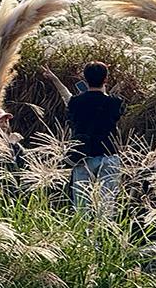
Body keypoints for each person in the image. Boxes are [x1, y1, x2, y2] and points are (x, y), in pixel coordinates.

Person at [44, 62, 125, 214]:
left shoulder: (76, 103)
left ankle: (84, 235)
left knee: (81, 206)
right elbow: (111, 103)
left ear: (84, 79)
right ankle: (105, 234)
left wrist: (54, 79)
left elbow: (65, 95)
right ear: (106, 79)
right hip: (109, 155)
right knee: (107, 205)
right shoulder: (115, 103)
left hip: (82, 156)